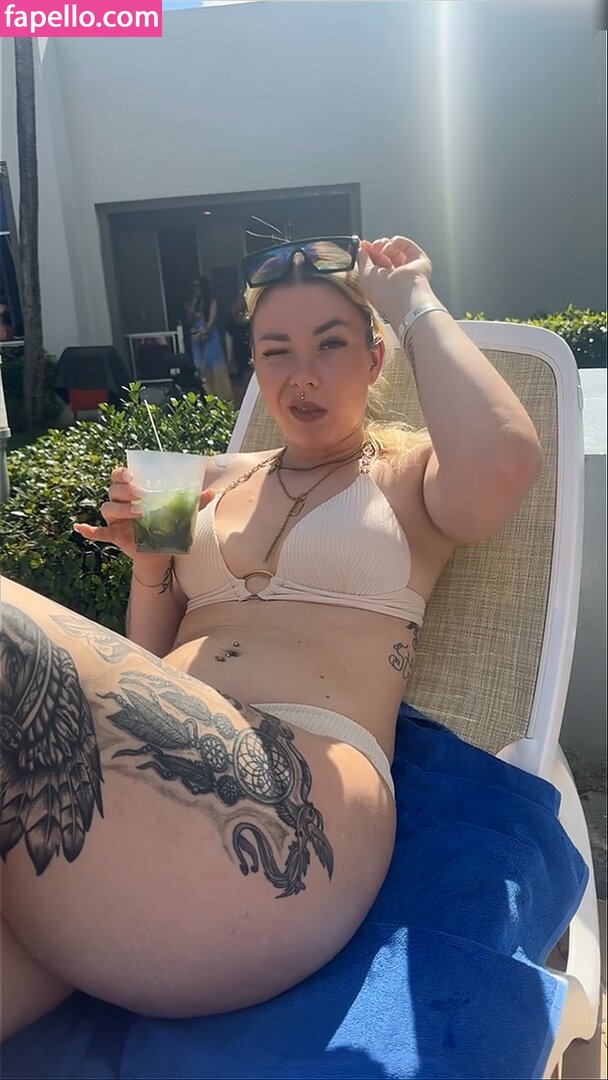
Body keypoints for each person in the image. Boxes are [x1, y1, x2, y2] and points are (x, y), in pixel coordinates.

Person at [0, 235, 541, 1041]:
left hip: (293, 805)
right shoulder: (195, 478)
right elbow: (147, 663)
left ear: (375, 357)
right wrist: (150, 568)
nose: (302, 374)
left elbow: (503, 462)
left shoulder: (412, 476)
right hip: (149, 790)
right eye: (277, 351)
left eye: (331, 345)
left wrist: (412, 297)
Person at [185, 275, 233, 402]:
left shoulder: (211, 300)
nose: (196, 288)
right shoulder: (195, 301)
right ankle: (208, 397)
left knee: (216, 366)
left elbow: (212, 316)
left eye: (198, 286)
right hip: (197, 335)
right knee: (202, 368)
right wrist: (192, 308)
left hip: (209, 334)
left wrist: (206, 327)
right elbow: (189, 319)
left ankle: (223, 398)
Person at [224, 289, 252, 381]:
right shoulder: (233, 323)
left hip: (244, 351)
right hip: (242, 352)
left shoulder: (235, 322)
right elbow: (229, 339)